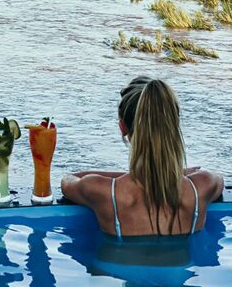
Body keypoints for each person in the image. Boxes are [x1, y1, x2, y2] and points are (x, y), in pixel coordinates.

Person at [61, 76, 223, 237]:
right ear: (173, 124)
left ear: (122, 127)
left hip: (112, 262)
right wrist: (174, 173)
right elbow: (220, 180)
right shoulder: (202, 186)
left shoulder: (101, 190)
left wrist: (127, 176)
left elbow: (68, 180)